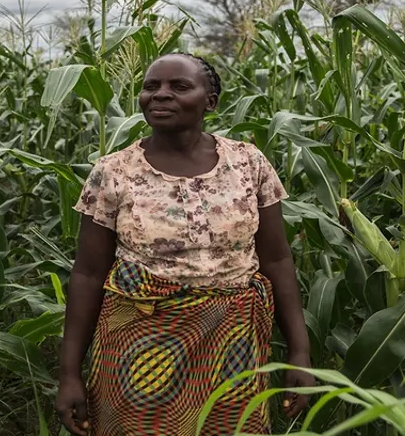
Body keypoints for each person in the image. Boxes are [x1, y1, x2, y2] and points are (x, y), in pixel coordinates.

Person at [56, 52, 315, 435]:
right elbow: (88, 274)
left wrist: (299, 353)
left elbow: (277, 259)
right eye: (151, 86)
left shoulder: (248, 163)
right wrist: (69, 374)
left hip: (233, 345)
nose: (160, 95)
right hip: (138, 346)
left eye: (179, 86)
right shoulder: (113, 172)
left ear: (210, 101)